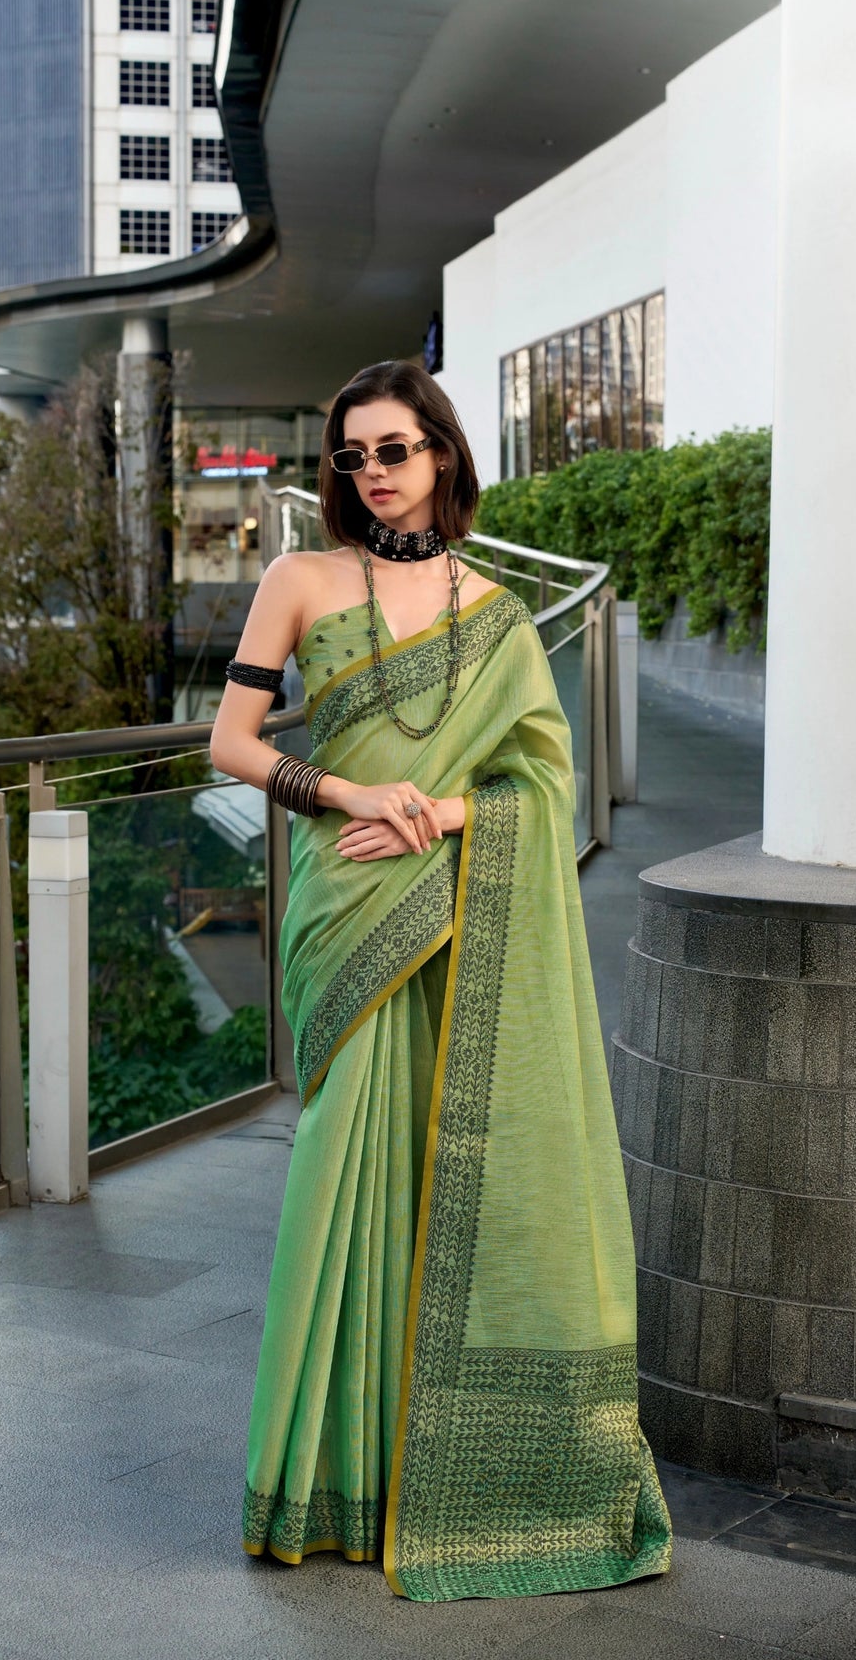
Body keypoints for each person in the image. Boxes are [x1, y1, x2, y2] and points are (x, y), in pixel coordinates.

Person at [209, 361, 671, 1603]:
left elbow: (543, 785)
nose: (373, 472)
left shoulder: (501, 616)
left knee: (446, 1168)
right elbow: (231, 742)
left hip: (459, 895)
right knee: (345, 1162)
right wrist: (352, 792)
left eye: (395, 449)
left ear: (444, 456)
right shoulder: (301, 581)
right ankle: (326, 1480)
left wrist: (446, 812)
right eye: (353, 455)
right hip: (346, 899)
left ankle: (444, 1471)